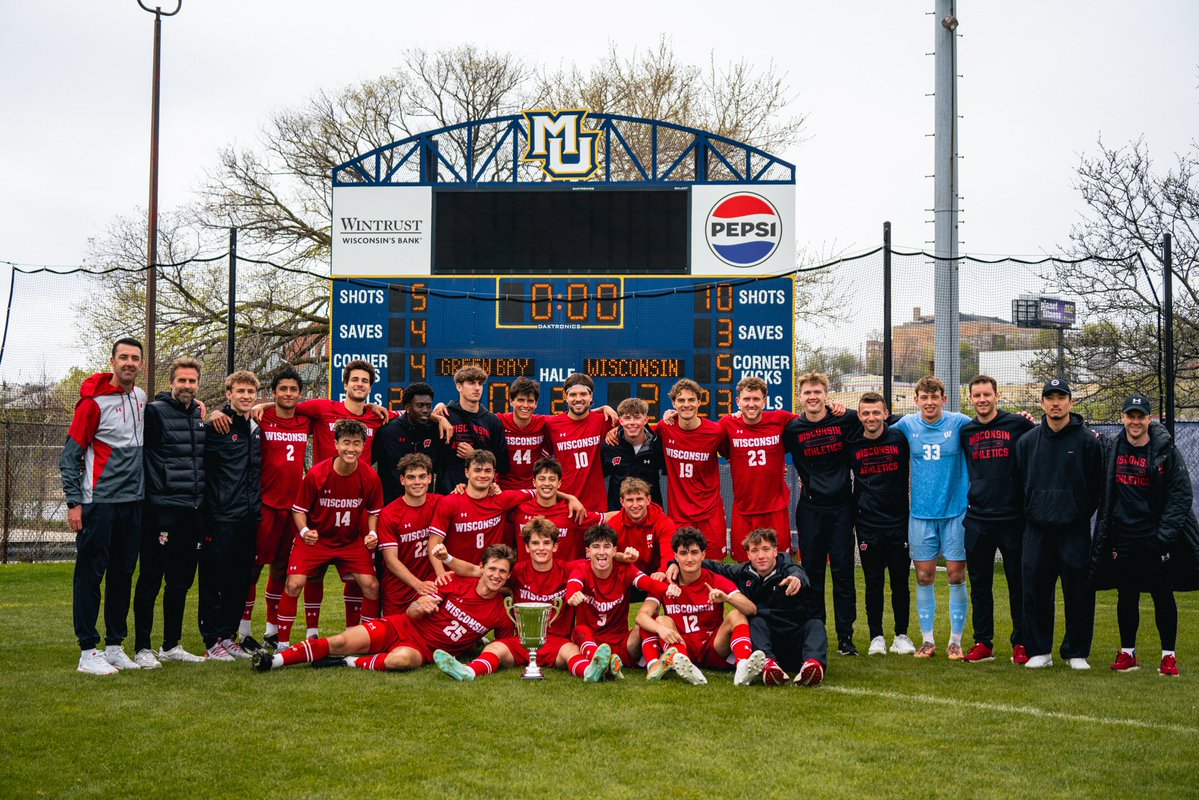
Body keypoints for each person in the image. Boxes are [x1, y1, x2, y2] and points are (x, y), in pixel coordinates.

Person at [253, 544, 517, 673]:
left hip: (421, 650)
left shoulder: (499, 613)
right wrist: (419, 605)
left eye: (502, 572)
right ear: (481, 568)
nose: (496, 575)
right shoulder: (453, 581)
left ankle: (349, 662)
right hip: (402, 625)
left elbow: (502, 648)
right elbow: (411, 612)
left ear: (507, 578)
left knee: (400, 661)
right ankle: (274, 661)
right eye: (492, 568)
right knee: (342, 639)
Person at [1090, 394, 1199, 676]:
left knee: (1162, 595)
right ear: (1123, 418)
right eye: (1131, 416)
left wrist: (1163, 535)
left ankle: (1168, 656)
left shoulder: (1165, 450)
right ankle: (1127, 653)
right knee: (1126, 594)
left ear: (1149, 419)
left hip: (1154, 537)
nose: (1135, 421)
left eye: (1141, 416)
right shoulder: (1113, 447)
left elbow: (1181, 495)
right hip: (1123, 535)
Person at [61, 338, 149, 675]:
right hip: (99, 504)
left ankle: (114, 646)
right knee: (89, 576)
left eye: (135, 358)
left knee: (122, 576)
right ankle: (87, 650)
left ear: (141, 364)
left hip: (133, 504)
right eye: (123, 357)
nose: (129, 363)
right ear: (111, 361)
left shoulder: (140, 398)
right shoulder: (91, 404)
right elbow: (70, 458)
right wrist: (74, 503)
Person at [432, 518, 610, 681]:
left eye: (546, 543)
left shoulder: (569, 569)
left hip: (557, 642)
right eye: (535, 543)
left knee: (572, 651)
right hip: (523, 641)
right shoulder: (517, 571)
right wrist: (446, 558)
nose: (541, 548)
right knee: (494, 648)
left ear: (555, 546)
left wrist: (619, 556)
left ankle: (589, 672)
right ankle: (468, 672)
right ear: (526, 547)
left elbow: (599, 559)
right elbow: (473, 571)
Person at [1014, 378, 1104, 670]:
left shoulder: (1088, 441)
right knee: (1035, 591)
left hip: (1073, 530)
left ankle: (1076, 652)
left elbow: (1096, 486)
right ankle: (1040, 650)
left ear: (1071, 403)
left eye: (1061, 397)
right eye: (1050, 397)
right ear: (1042, 403)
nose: (1056, 402)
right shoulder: (1027, 442)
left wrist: (1077, 510)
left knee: (1078, 591)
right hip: (1037, 530)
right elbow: (1018, 485)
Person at [273, 419, 384, 647]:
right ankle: (282, 643)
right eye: (346, 443)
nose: (350, 448)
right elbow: (299, 511)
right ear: (335, 444)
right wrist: (305, 531)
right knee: (294, 583)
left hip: (350, 541)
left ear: (363, 446)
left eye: (356, 443)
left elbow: (374, 511)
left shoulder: (370, 476)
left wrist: (372, 533)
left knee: (372, 586)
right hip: (317, 539)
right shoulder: (317, 474)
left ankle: (367, 640)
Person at [130, 356, 206, 669]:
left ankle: (171, 644)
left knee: (180, 583)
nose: (187, 386)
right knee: (150, 579)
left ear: (197, 384)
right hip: (160, 511)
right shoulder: (154, 413)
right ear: (171, 382)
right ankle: (142, 647)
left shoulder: (201, 418)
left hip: (192, 511)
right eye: (182, 381)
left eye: (192, 381)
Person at [891, 374, 972, 659]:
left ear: (943, 399)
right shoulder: (906, 425)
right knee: (924, 576)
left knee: (955, 575)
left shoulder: (959, 422)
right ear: (916, 401)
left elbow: (992, 424)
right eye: (923, 398)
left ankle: (955, 641)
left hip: (955, 512)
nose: (929, 402)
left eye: (934, 397)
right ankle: (927, 640)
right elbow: (873, 424)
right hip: (921, 514)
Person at [783, 371, 862, 656]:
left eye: (818, 392)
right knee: (812, 574)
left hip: (842, 508)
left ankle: (846, 637)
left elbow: (875, 416)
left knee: (843, 573)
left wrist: (844, 408)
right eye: (807, 392)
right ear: (800, 397)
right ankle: (816, 631)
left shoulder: (846, 419)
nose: (813, 397)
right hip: (811, 510)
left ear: (827, 395)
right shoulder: (792, 429)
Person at [687, 528, 826, 687]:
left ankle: (812, 665)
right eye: (755, 551)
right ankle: (767, 665)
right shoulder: (743, 572)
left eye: (766, 549)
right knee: (755, 622)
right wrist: (674, 564)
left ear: (775, 551)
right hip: (765, 641)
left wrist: (796, 578)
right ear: (748, 555)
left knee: (815, 624)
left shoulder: (786, 568)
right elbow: (713, 566)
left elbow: (796, 571)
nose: (761, 556)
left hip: (795, 640)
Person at [959, 375, 1035, 664]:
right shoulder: (966, 431)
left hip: (1013, 519)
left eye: (986, 394)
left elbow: (1043, 437)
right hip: (977, 518)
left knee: (1018, 583)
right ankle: (983, 643)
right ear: (971, 398)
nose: (982, 399)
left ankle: (1022, 643)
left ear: (997, 396)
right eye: (976, 395)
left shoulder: (1017, 424)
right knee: (979, 584)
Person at [238, 367, 312, 652]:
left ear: (300, 394)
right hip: (265, 505)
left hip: (293, 510)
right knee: (253, 568)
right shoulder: (261, 417)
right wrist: (261, 405)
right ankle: (244, 631)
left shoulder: (306, 419)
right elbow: (232, 410)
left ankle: (271, 631)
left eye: (293, 389)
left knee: (281, 569)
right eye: (283, 389)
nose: (288, 394)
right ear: (273, 393)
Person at [635, 527, 763, 686]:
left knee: (737, 614)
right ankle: (685, 665)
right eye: (683, 553)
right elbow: (641, 616)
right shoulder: (666, 582)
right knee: (661, 620)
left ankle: (743, 666)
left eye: (694, 553)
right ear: (675, 557)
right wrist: (661, 629)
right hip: (681, 644)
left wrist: (727, 598)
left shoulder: (715, 579)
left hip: (713, 646)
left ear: (703, 555)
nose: (689, 559)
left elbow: (751, 609)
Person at [198, 370, 263, 660]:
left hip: (249, 519)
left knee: (240, 580)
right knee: (214, 580)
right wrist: (210, 413)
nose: (246, 396)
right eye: (241, 391)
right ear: (229, 394)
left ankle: (228, 636)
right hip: (220, 516)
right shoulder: (218, 425)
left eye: (251, 392)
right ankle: (211, 640)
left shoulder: (255, 426)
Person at [848, 392, 915, 657]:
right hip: (867, 523)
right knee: (873, 582)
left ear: (886, 414)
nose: (871, 417)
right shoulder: (852, 443)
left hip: (898, 522)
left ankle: (902, 634)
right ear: (860, 416)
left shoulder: (900, 438)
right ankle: (876, 636)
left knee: (900, 581)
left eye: (876, 412)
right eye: (865, 413)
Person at [566, 524, 679, 679]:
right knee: (579, 630)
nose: (601, 552)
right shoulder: (581, 569)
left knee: (647, 622)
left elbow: (647, 582)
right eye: (595, 547)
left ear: (614, 551)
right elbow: (573, 586)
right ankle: (599, 663)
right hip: (591, 641)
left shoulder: (625, 569)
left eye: (607, 547)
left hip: (622, 643)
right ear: (587, 551)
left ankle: (654, 666)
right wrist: (573, 596)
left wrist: (668, 588)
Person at [720, 377, 797, 561]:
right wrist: (671, 415)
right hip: (744, 510)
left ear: (764, 401)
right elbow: (702, 433)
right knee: (744, 565)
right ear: (738, 401)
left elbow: (812, 422)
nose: (751, 404)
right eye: (746, 399)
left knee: (780, 563)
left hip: (775, 509)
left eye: (756, 399)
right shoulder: (727, 424)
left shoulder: (780, 419)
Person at [653, 378, 728, 559]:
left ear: (700, 402)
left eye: (691, 400)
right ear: (673, 403)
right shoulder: (665, 427)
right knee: (681, 567)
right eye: (681, 400)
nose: (686, 405)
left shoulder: (716, 432)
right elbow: (636, 433)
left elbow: (737, 455)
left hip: (710, 513)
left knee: (714, 567)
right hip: (679, 515)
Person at [376, 453, 442, 615]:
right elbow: (391, 560)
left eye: (422, 476)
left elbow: (470, 499)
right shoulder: (389, 513)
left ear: (429, 478)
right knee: (397, 636)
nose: (417, 482)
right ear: (402, 480)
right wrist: (418, 584)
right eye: (411, 477)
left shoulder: (441, 503)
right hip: (400, 588)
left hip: (432, 583)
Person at [507, 458, 604, 562]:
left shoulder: (571, 513)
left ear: (559, 483)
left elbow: (607, 518)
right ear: (534, 482)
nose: (547, 483)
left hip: (562, 577)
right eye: (542, 479)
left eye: (552, 479)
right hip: (526, 577)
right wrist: (569, 497)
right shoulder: (519, 510)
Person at [544, 373, 616, 512]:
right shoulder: (552, 424)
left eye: (583, 394)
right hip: (563, 503)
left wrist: (669, 414)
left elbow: (636, 425)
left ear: (591, 396)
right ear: (566, 397)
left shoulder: (604, 420)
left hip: (596, 505)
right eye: (573, 395)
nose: (578, 399)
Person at [437, 364, 510, 494]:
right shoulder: (445, 415)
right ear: (459, 386)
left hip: (482, 495)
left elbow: (503, 465)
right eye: (471, 383)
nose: (477, 388)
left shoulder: (492, 421)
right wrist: (436, 417)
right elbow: (415, 415)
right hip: (448, 493)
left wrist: (474, 456)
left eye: (480, 384)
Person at [373, 381, 448, 505]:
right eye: (420, 405)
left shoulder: (436, 430)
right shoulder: (388, 432)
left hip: (424, 506)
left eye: (428, 406)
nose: (425, 410)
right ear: (407, 407)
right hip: (392, 505)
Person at [604, 477, 676, 581]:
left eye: (639, 499)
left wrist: (662, 571)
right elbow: (605, 554)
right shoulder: (613, 524)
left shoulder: (664, 522)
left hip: (655, 577)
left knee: (672, 573)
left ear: (648, 500)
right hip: (626, 578)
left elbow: (669, 555)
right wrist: (622, 557)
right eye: (630, 500)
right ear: (622, 502)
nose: (635, 505)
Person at [601, 397, 664, 510]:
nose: (632, 422)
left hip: (651, 515)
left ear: (646, 420)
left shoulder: (657, 445)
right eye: (627, 418)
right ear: (620, 421)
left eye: (637, 417)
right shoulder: (610, 446)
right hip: (618, 514)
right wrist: (602, 408)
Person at [494, 376, 553, 491]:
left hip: (533, 490)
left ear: (536, 403)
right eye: (521, 400)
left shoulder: (543, 422)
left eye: (530, 401)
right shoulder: (498, 421)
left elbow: (570, 419)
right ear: (511, 401)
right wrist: (446, 419)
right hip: (502, 489)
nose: (525, 405)